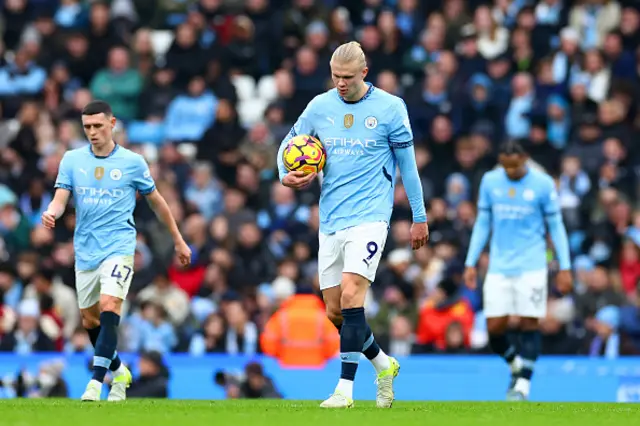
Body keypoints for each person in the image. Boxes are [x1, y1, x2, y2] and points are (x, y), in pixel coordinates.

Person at [276, 42, 429, 408]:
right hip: (331, 219)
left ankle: (344, 390)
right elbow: (288, 142)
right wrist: (285, 174)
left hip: (371, 217)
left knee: (351, 294)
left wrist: (419, 216)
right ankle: (383, 363)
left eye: (346, 77)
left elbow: (407, 166)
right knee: (334, 311)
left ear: (364, 72)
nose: (340, 84)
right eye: (335, 76)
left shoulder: (391, 108)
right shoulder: (320, 106)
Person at [41, 100, 192, 402]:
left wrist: (177, 238)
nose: (93, 132)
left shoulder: (132, 162)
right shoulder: (72, 159)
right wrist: (52, 212)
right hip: (85, 250)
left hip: (119, 246)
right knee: (90, 321)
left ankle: (97, 383)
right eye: (87, 127)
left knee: (110, 304)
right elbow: (60, 197)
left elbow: (157, 201)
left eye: (98, 126)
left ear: (112, 124)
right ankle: (120, 370)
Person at [463, 140, 572, 401]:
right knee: (495, 327)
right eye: (505, 166)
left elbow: (556, 227)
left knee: (528, 321)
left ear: (525, 158)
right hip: (500, 265)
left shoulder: (543, 184)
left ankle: (523, 384)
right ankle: (515, 365)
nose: (510, 171)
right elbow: (483, 223)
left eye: (514, 166)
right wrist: (471, 261)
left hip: (532, 264)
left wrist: (565, 267)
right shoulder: (490, 181)